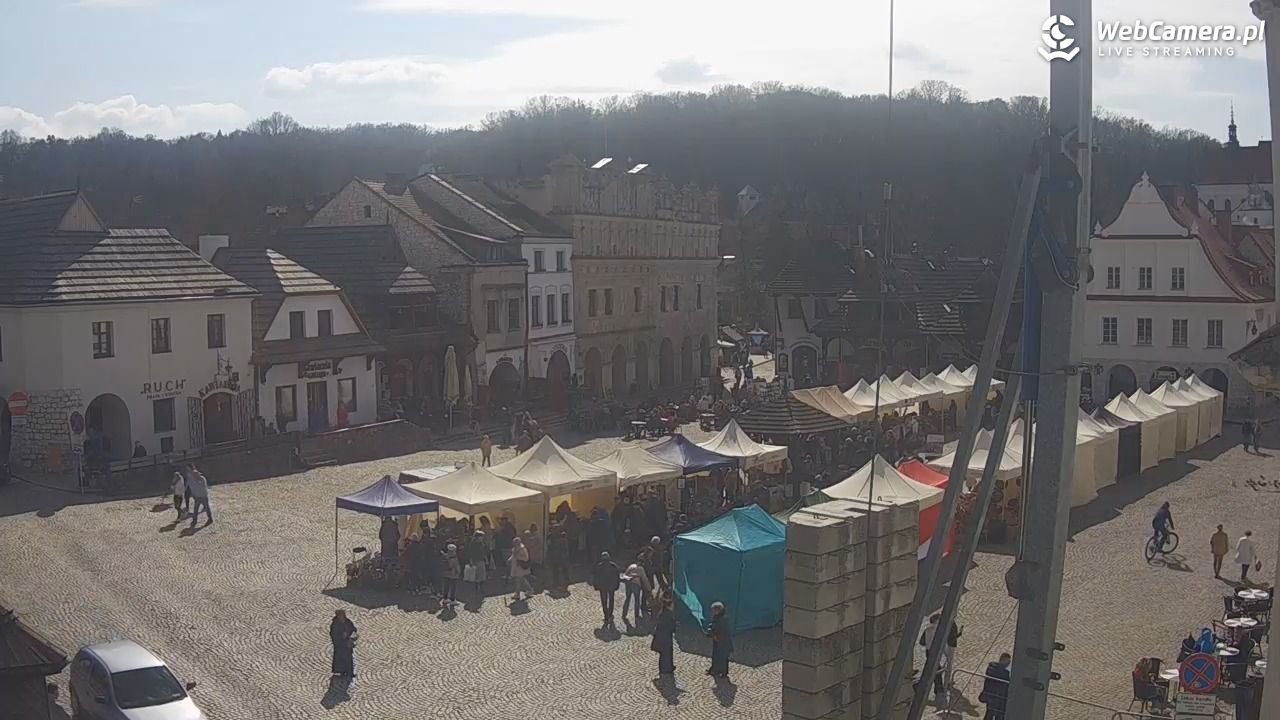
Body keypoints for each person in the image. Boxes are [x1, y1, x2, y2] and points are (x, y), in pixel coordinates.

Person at [592, 551, 621, 628]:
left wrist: (596, 586)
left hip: (603, 587)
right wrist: (617, 585)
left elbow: (596, 577)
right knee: (611, 600)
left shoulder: (599, 566)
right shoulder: (613, 566)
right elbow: (617, 576)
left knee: (604, 601)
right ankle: (610, 614)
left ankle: (606, 616)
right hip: (611, 586)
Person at [979, 653, 1011, 720]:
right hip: (999, 697)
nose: (1008, 664)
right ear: (1003, 660)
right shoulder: (1005, 673)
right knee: (998, 716)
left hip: (989, 696)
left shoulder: (991, 668)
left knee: (989, 714)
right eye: (1008, 662)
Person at [651, 592, 677, 675]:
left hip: (663, 635)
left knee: (666, 652)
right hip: (664, 636)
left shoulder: (664, 612)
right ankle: (665, 668)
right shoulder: (667, 614)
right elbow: (669, 625)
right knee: (665, 653)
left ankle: (668, 667)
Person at [706, 601, 733, 678]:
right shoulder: (717, 617)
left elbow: (722, 630)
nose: (713, 612)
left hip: (723, 641)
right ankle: (715, 669)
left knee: (723, 657)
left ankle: (723, 672)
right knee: (716, 655)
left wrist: (713, 633)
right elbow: (714, 625)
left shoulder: (723, 619)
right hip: (718, 640)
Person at [329, 609, 357, 678]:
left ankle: (350, 672)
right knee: (341, 658)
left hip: (347, 642)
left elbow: (353, 629)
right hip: (340, 644)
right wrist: (341, 636)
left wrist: (351, 635)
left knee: (349, 658)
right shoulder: (335, 624)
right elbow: (333, 634)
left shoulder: (347, 621)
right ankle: (342, 671)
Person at [465, 530, 489, 599]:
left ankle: (481, 589)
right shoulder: (472, 544)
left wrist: (486, 560)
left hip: (481, 561)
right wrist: (471, 561)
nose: (482, 538)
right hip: (475, 561)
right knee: (476, 576)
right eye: (481, 537)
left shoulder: (482, 544)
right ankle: (476, 589)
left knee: (482, 576)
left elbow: (484, 552)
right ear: (477, 537)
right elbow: (470, 553)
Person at [509, 536, 533, 602]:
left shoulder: (522, 549)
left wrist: (518, 557)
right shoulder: (514, 548)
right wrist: (510, 559)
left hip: (520, 567)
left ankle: (517, 594)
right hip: (515, 566)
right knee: (521, 580)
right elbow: (513, 555)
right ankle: (530, 590)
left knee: (518, 580)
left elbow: (526, 558)